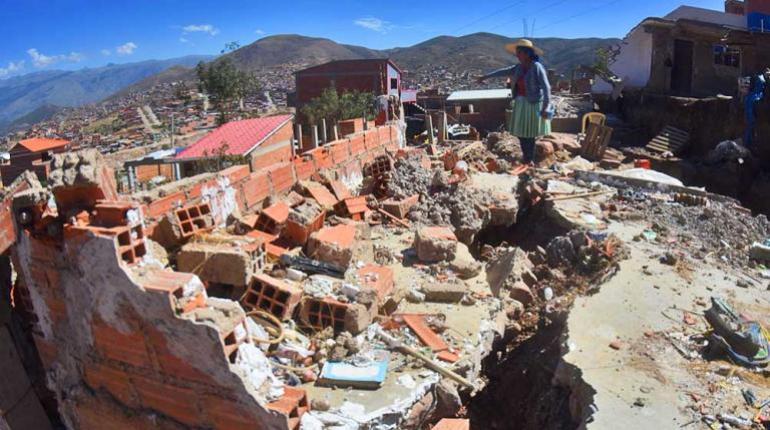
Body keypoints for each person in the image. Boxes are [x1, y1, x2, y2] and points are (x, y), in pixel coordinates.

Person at [477, 39, 552, 165]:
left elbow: (546, 87)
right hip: (520, 103)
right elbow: (503, 71)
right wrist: (485, 76)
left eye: (519, 52)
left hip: (533, 104)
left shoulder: (536, 67)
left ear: (527, 53)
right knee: (522, 133)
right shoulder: (518, 68)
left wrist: (546, 107)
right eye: (516, 53)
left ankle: (529, 159)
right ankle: (527, 157)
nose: (517, 55)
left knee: (530, 134)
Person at [744, 68, 769, 148]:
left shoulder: (760, 79)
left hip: (753, 100)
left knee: (751, 125)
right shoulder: (760, 79)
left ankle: (750, 142)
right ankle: (748, 143)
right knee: (751, 124)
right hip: (753, 101)